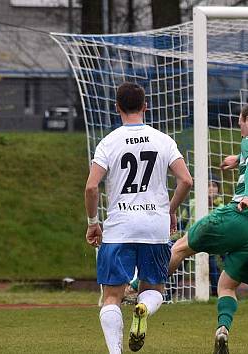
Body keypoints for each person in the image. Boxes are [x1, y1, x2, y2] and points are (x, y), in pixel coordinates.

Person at [167, 102, 248, 354]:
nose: (240, 131)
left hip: (241, 216)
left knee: (180, 247)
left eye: (240, 125)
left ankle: (137, 288)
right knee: (226, 286)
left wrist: (247, 194)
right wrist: (239, 160)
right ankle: (222, 329)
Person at [84, 82, 193, 353]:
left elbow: (90, 187)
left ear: (117, 107)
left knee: (112, 296)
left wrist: (93, 223)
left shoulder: (109, 142)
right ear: (146, 106)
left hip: (120, 226)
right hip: (154, 226)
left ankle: (115, 351)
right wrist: (170, 210)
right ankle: (143, 307)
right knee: (154, 288)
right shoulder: (163, 140)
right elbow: (186, 181)